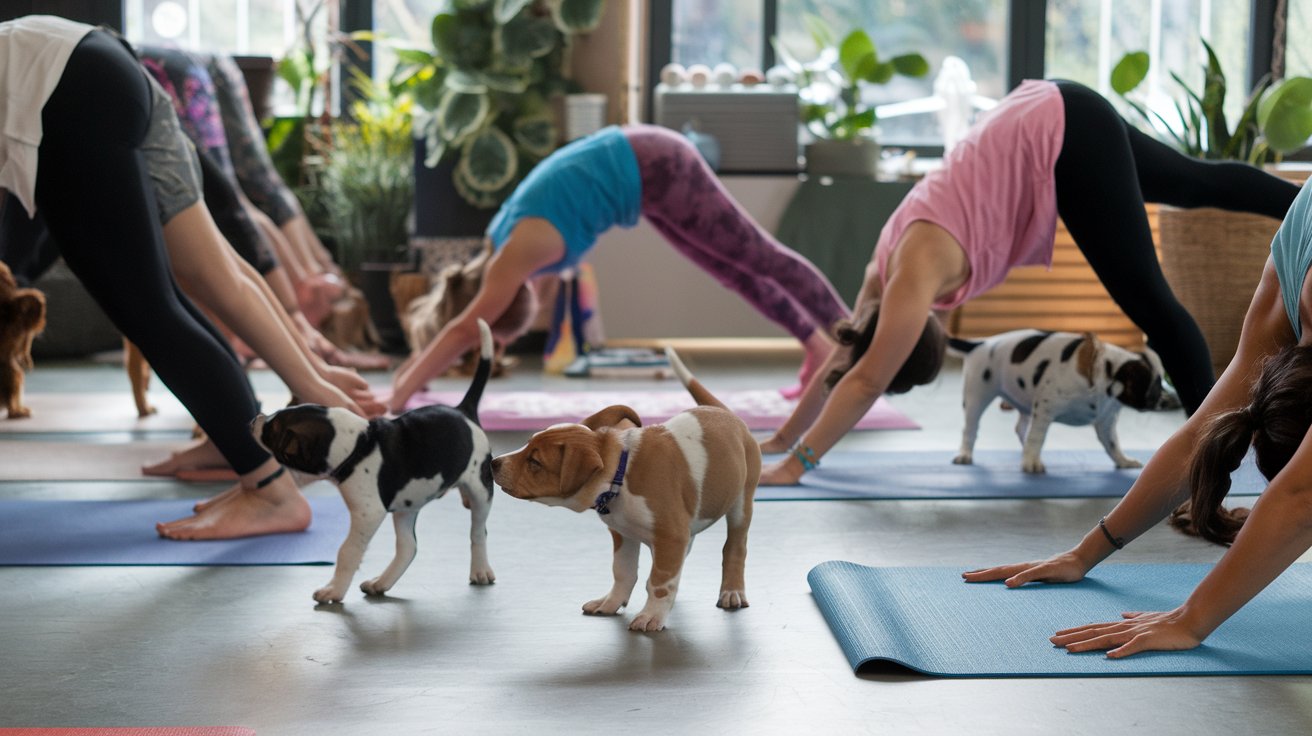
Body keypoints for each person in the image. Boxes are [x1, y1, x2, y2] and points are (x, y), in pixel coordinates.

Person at [757, 78, 1301, 486]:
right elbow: (846, 359)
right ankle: (1306, 204)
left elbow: (866, 380)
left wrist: (796, 467)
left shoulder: (911, 276)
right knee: (1191, 182)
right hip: (1054, 111)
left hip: (1059, 136)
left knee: (1154, 306)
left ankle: (1207, 474)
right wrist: (782, 440)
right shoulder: (882, 275)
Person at [0, 15, 376, 539]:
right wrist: (309, 375)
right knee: (206, 273)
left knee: (149, 309)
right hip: (103, 62)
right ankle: (275, 429)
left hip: (60, 92)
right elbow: (223, 271)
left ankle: (270, 492)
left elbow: (22, 243)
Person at [962, 179, 1312, 658]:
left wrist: (1192, 618)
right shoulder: (1295, 268)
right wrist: (1083, 554)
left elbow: (1300, 495)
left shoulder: (1292, 292)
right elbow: (1228, 455)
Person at [388, 124, 851, 413]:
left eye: (506, 335)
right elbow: (466, 320)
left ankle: (849, 339)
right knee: (733, 270)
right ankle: (815, 345)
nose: (504, 343)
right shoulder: (501, 247)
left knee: (759, 256)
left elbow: (467, 327)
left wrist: (398, 394)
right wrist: (417, 373)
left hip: (657, 165)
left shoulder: (516, 254)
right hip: (645, 172)